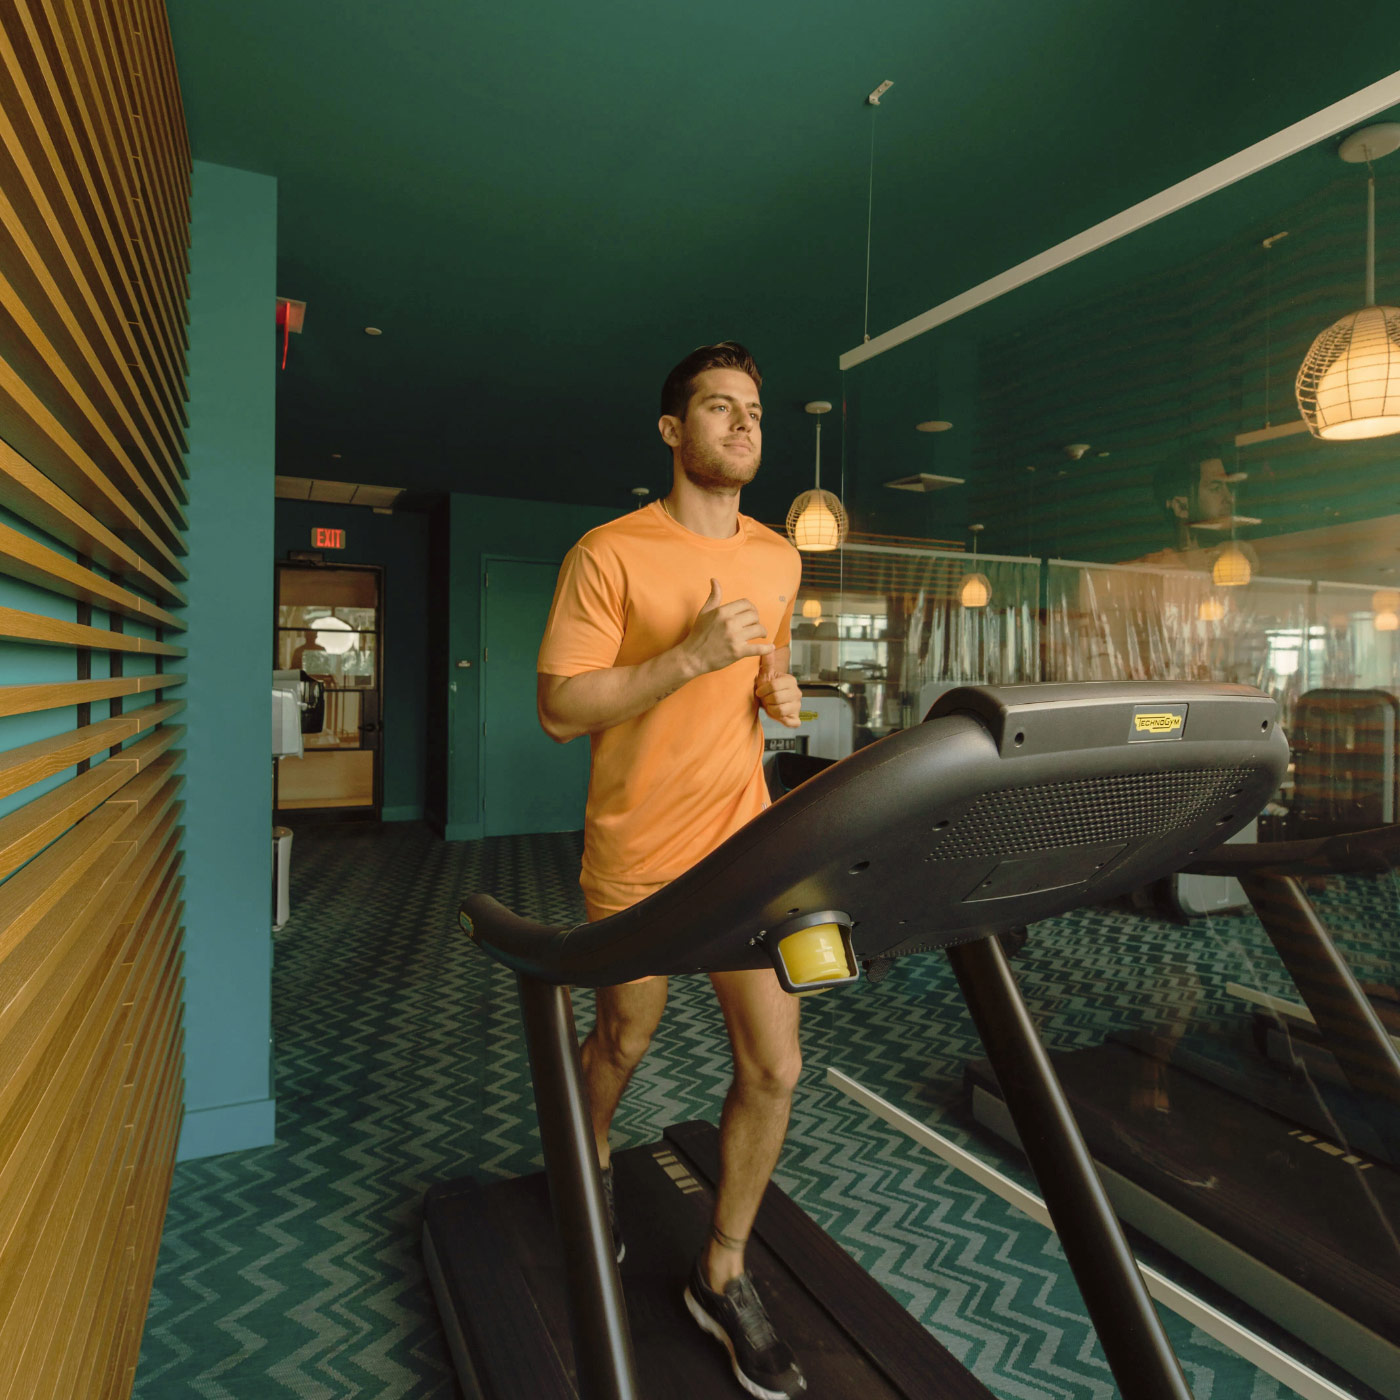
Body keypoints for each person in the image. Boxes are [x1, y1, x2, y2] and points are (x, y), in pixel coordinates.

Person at [536, 341, 807, 1399]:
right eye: (716, 407)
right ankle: (588, 1155)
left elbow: (767, 660)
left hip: (744, 845)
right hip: (638, 850)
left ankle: (722, 1268)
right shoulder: (608, 553)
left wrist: (775, 687)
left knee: (775, 1066)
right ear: (671, 430)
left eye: (751, 409)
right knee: (624, 1033)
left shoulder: (780, 554)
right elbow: (562, 707)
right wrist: (687, 655)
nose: (741, 425)